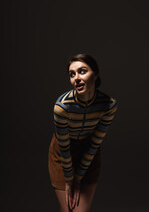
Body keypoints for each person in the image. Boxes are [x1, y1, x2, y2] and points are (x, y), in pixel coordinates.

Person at [48, 54, 118, 212]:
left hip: (89, 153)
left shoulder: (109, 105)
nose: (76, 78)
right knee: (68, 210)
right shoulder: (62, 107)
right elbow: (64, 147)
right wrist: (69, 179)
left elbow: (95, 143)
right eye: (72, 74)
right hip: (62, 153)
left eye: (82, 71)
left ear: (96, 74)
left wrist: (78, 177)